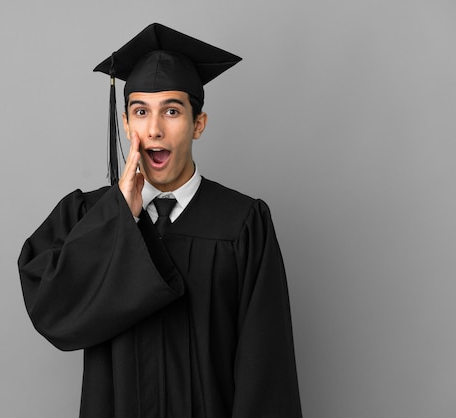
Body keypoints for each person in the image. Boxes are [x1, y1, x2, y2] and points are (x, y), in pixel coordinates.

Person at [18, 23, 302, 417]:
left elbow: (266, 371)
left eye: (171, 110)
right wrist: (120, 215)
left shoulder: (242, 223)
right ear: (125, 123)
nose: (154, 129)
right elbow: (51, 310)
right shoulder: (88, 214)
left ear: (197, 124)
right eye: (140, 112)